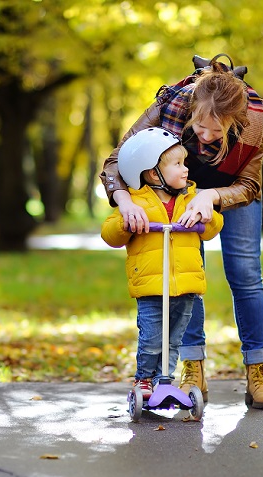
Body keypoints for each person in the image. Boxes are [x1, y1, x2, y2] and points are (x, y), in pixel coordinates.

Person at [100, 54, 263, 409]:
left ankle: (257, 370)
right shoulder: (169, 105)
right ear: (191, 108)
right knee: (182, 273)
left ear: (236, 120)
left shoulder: (254, 126)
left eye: (218, 130)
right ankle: (192, 366)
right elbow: (115, 160)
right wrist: (126, 202)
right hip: (178, 191)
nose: (207, 135)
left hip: (230, 192)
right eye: (200, 126)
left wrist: (210, 196)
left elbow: (249, 185)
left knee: (245, 274)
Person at [101, 127, 223, 400]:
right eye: (178, 164)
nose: (186, 170)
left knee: (173, 340)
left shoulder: (191, 199)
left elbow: (214, 227)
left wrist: (206, 215)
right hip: (152, 286)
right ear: (153, 173)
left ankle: (164, 382)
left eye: (184, 163)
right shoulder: (135, 202)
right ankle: (145, 379)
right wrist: (126, 220)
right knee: (152, 339)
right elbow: (110, 233)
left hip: (185, 287)